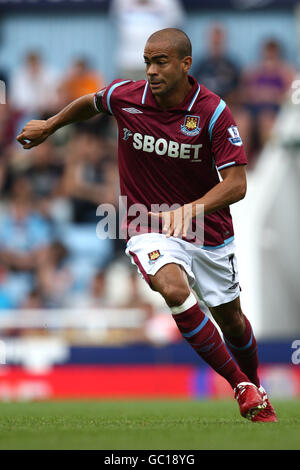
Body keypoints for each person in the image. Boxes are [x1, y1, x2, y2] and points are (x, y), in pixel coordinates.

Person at [17, 28, 276, 422]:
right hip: (147, 222)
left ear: (186, 64)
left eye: (161, 62)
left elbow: (237, 184)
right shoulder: (128, 96)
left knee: (232, 321)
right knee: (172, 288)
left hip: (207, 230)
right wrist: (50, 125)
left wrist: (189, 210)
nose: (151, 71)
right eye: (147, 62)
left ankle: (255, 386)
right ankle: (241, 386)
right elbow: (91, 102)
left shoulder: (212, 112)